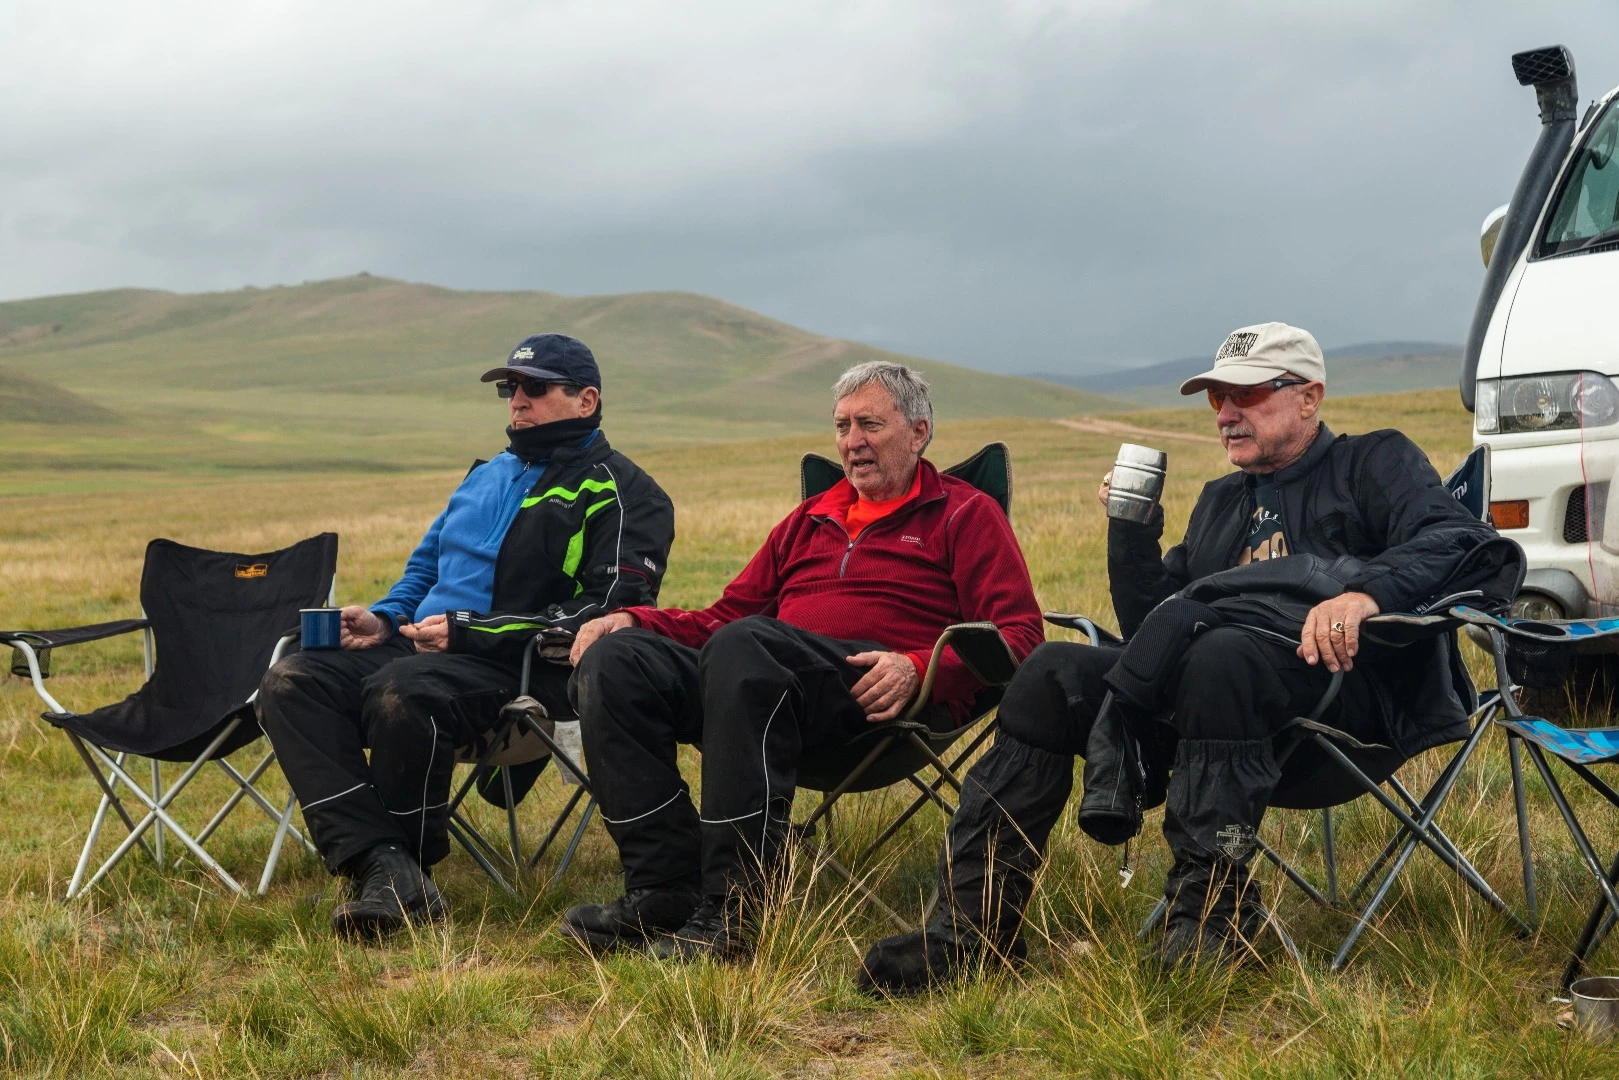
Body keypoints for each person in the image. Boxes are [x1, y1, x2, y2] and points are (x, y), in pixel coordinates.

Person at [859, 321, 1521, 990]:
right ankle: (970, 933)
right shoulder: (1220, 502)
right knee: (1051, 672)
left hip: (1344, 715)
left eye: (1247, 394)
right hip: (1212, 718)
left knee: (1219, 655)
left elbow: (1457, 539)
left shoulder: (1373, 462)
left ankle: (1210, 921)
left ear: (1308, 396)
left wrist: (1364, 594)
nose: (1227, 413)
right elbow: (1151, 631)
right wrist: (1131, 536)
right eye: (1215, 398)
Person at [560, 360, 1045, 959]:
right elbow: (725, 617)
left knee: (746, 645)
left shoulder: (964, 513)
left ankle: (735, 912)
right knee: (616, 662)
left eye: (870, 424)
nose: (852, 442)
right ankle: (666, 887)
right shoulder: (809, 519)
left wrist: (921, 668)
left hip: (873, 697)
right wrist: (637, 620)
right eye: (842, 426)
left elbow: (1020, 635)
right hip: (757, 685)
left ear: (919, 432)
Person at [257, 334, 674, 939]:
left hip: (520, 667)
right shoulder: (485, 476)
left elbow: (608, 607)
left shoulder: (627, 491)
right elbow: (425, 569)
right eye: (511, 388)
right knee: (290, 680)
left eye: (536, 388)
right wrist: (383, 619)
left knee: (402, 690)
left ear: (586, 400)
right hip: (421, 647)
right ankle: (381, 863)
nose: (518, 401)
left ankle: (400, 869)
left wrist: (470, 631)